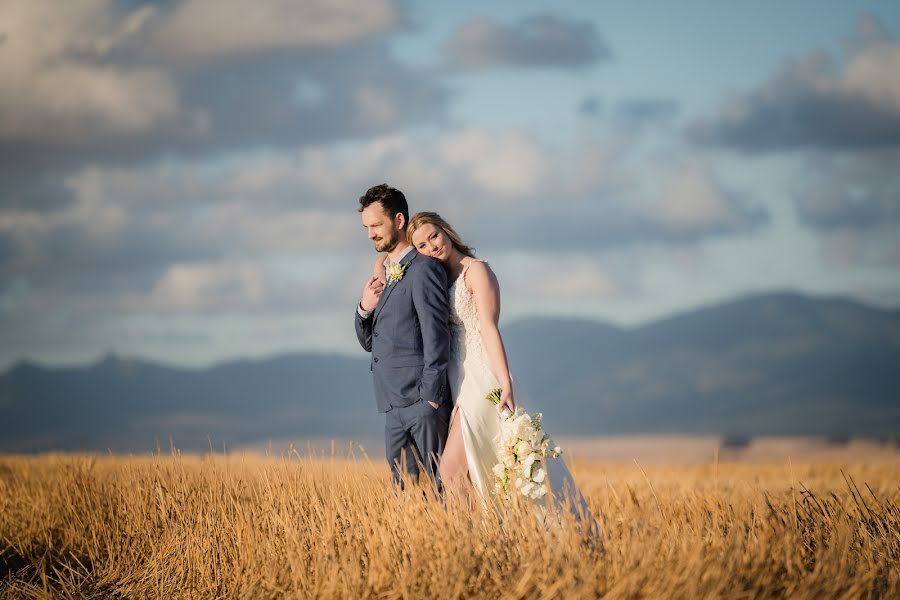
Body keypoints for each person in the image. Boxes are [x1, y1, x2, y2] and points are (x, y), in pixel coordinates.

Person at [394, 212, 595, 527]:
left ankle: (480, 542)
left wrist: (505, 382)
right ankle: (489, 539)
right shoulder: (440, 281)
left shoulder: (477, 271)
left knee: (450, 470)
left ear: (446, 231)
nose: (431, 246)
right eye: (421, 245)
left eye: (434, 236)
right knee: (473, 470)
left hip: (482, 376)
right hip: (457, 380)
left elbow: (488, 327)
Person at [353, 185, 452, 488]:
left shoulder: (424, 269)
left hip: (421, 404)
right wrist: (364, 308)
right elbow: (371, 343)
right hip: (392, 406)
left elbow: (437, 336)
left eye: (376, 225)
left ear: (398, 221)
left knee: (438, 492)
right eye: (366, 227)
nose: (370, 233)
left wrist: (430, 399)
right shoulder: (386, 272)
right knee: (406, 497)